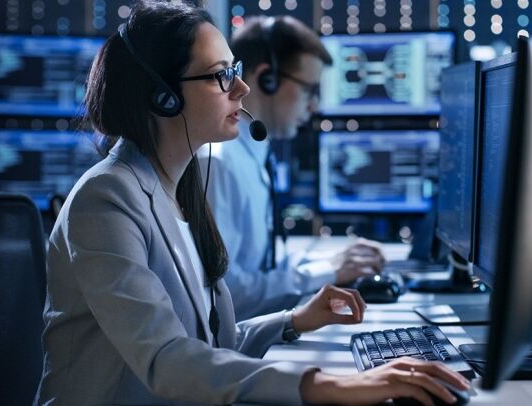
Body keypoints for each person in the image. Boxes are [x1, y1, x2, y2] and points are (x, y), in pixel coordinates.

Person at [35, 2, 470, 405]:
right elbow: (166, 359)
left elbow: (207, 343)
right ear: (163, 95)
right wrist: (333, 384)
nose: (241, 88)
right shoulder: (105, 199)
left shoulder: (179, 187)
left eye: (236, 70)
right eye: (220, 74)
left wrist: (294, 320)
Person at [200, 15, 385, 321]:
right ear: (266, 79)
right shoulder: (218, 164)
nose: (314, 106)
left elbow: (262, 265)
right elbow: (225, 294)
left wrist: (333, 262)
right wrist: (329, 270)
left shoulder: (254, 156)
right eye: (309, 90)